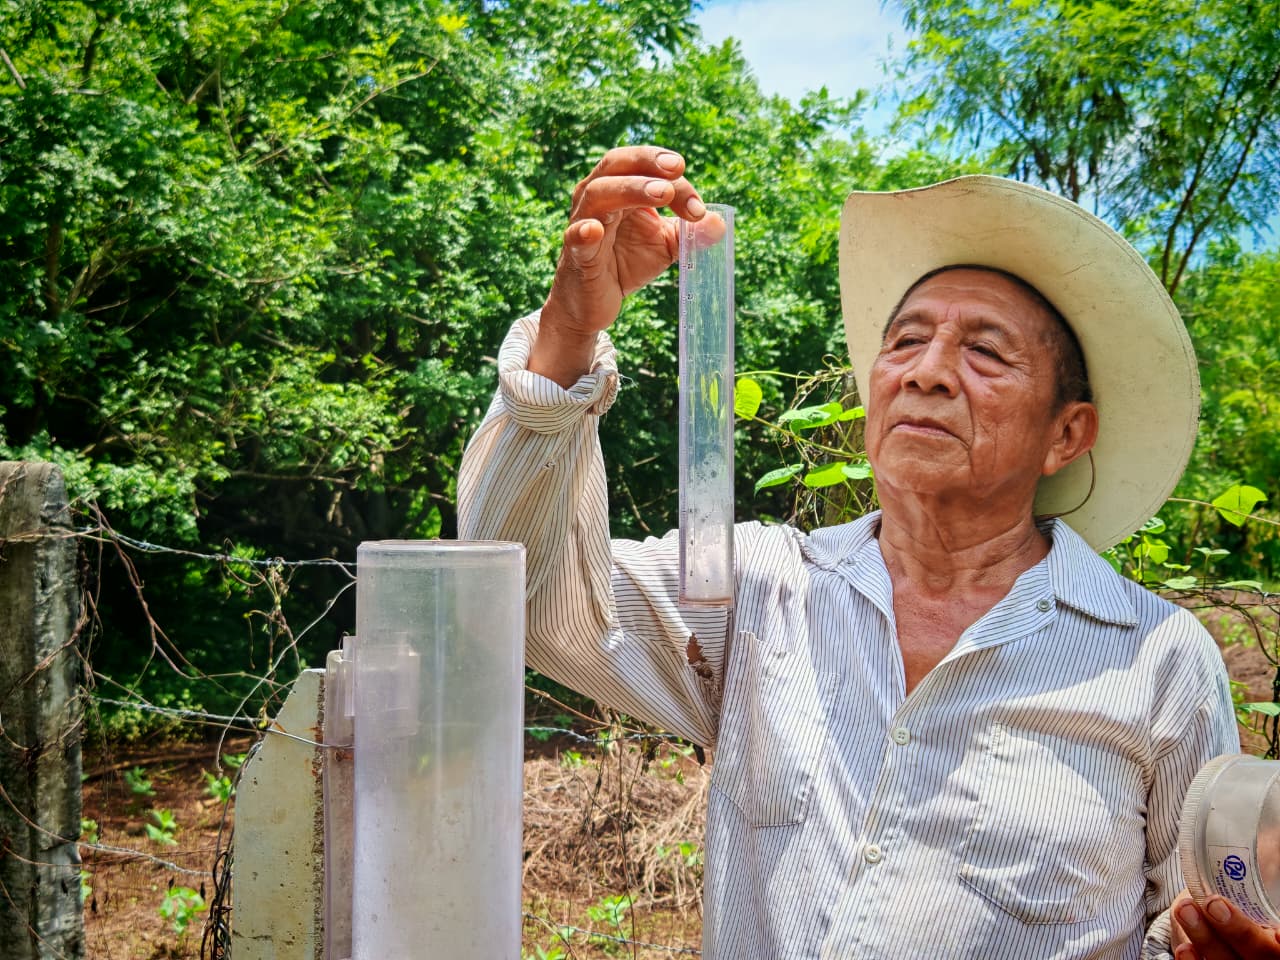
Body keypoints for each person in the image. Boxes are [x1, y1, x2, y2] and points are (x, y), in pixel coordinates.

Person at [458, 146, 1276, 959]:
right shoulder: (761, 588)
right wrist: (569, 330)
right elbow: (516, 598)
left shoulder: (1159, 660)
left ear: (1066, 434)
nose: (927, 373)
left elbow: (1194, 925)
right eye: (904, 342)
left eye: (986, 352)